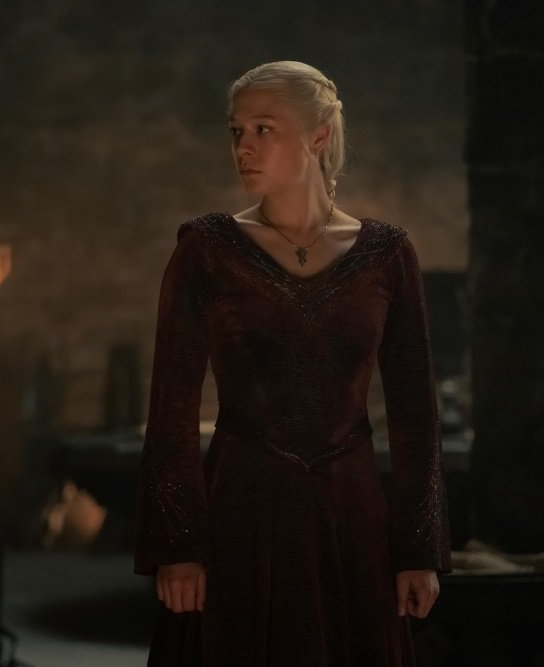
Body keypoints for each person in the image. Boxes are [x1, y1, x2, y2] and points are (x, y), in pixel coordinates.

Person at [134, 60, 452, 665]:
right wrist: (179, 545)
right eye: (236, 131)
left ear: (319, 136)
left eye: (263, 129)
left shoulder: (387, 253)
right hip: (240, 511)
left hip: (350, 515)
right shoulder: (206, 249)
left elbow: (416, 414)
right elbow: (170, 408)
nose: (243, 147)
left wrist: (419, 550)